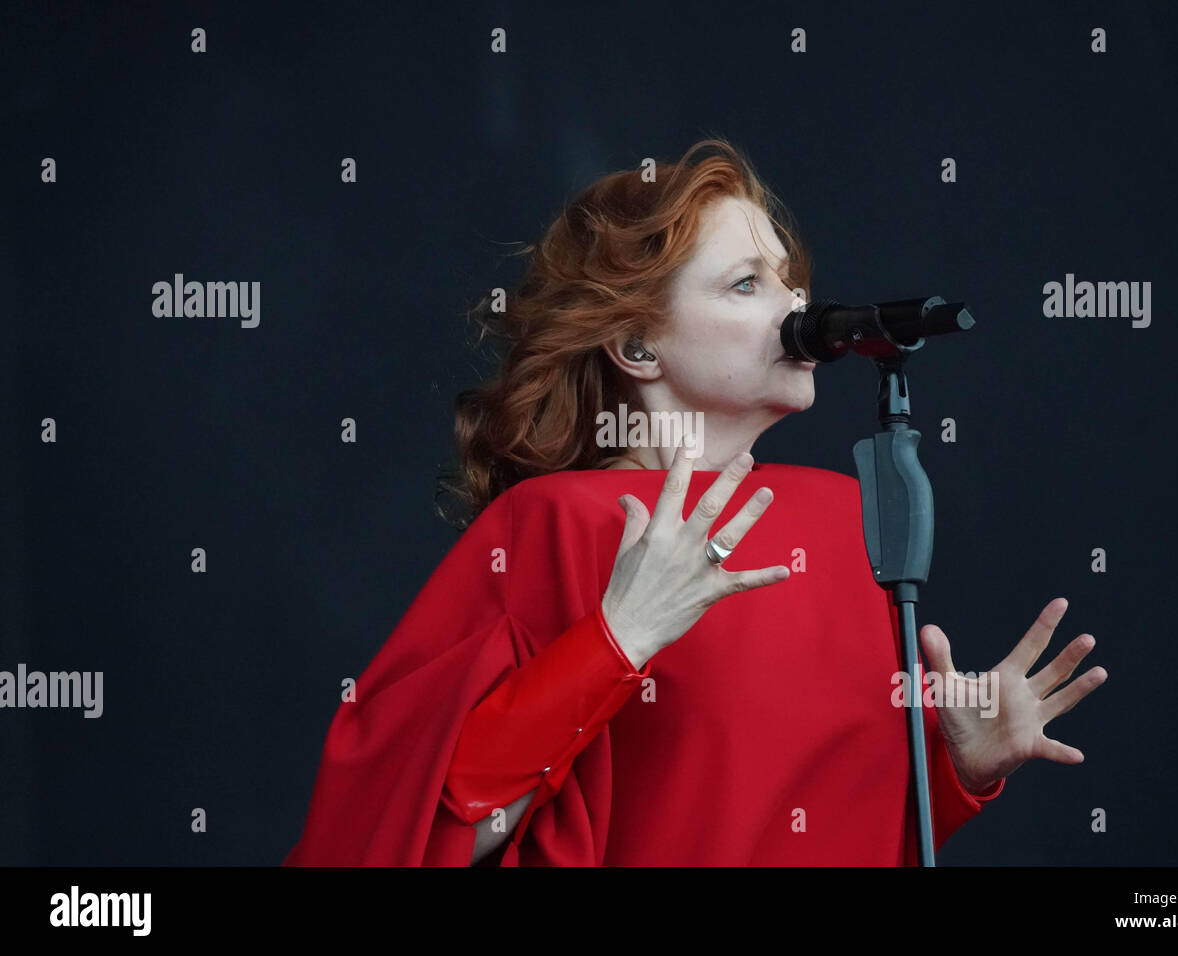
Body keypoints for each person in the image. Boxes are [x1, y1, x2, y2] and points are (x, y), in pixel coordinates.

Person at [282, 139, 1107, 866]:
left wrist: (956, 773)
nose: (796, 306)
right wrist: (618, 640)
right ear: (637, 345)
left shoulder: (842, 516)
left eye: (791, 280)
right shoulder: (555, 523)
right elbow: (423, 831)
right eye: (747, 284)